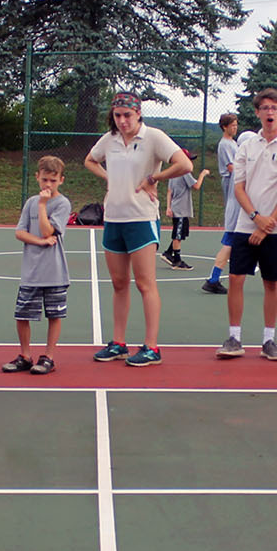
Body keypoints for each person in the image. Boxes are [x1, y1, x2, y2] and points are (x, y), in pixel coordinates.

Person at [85, 92, 191, 366]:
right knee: (119, 284)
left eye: (127, 115)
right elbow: (90, 160)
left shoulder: (153, 137)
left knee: (145, 284)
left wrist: (154, 177)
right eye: (118, 116)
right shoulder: (109, 140)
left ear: (138, 114)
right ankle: (119, 343)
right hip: (113, 219)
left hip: (142, 219)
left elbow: (184, 164)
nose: (122, 121)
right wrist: (109, 177)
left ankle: (151, 347)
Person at [218, 88, 277, 361]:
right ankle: (234, 338)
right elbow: (238, 187)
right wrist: (255, 218)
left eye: (274, 107)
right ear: (257, 112)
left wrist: (267, 224)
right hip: (246, 224)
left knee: (271, 283)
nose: (269, 112)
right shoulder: (246, 146)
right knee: (236, 279)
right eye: (264, 108)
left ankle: (269, 340)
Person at [2, 155, 71, 375]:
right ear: (37, 178)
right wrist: (40, 241)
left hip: (54, 272)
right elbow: (20, 232)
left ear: (61, 180)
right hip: (31, 272)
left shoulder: (62, 203)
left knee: (54, 315)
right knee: (22, 315)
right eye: (44, 180)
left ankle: (48, 357)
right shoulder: (31, 202)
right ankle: (25, 355)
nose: (47, 185)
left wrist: (43, 206)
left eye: (52, 180)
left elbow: (48, 230)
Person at [201, 113, 241, 294]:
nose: (235, 127)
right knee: (232, 241)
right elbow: (232, 168)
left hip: (238, 192)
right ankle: (214, 278)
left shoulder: (233, 143)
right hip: (234, 190)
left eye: (236, 124)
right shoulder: (225, 144)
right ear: (224, 127)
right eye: (232, 125)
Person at [161, 155, 209, 269]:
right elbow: (196, 186)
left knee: (180, 233)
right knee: (177, 235)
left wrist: (168, 207)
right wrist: (202, 174)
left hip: (177, 208)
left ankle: (168, 253)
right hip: (180, 209)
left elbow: (169, 191)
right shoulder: (184, 173)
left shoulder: (173, 173)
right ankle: (177, 261)